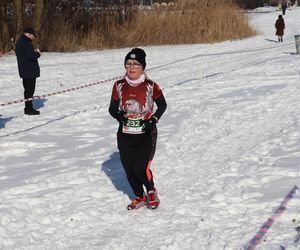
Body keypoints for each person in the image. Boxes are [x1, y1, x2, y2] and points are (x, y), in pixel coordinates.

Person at [109, 48, 167, 210]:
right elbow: (112, 109)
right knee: (129, 169)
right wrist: (119, 115)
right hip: (125, 134)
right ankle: (139, 197)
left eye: (136, 64)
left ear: (143, 67)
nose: (131, 67)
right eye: (128, 64)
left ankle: (151, 192)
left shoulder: (151, 86)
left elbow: (162, 105)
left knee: (141, 168)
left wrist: (153, 120)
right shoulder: (119, 85)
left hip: (146, 134)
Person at [15, 27, 41, 115]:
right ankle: (29, 109)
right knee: (30, 90)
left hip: (24, 70)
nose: (33, 38)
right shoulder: (26, 43)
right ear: (29, 34)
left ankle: (28, 108)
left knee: (27, 90)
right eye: (33, 36)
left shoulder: (19, 42)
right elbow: (31, 56)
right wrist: (38, 53)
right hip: (29, 71)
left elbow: (24, 54)